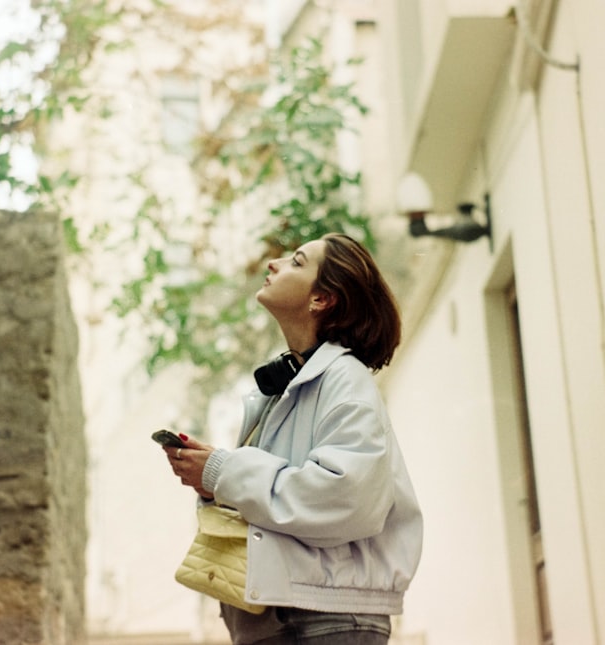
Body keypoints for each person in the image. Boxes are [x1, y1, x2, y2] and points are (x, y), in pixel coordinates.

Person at [164, 232, 423, 644]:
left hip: (327, 621)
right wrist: (213, 481)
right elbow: (279, 500)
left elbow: (347, 499)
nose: (274, 264)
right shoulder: (292, 385)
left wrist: (223, 470)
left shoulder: (343, 378)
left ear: (322, 299)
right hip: (291, 616)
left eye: (296, 262)